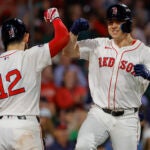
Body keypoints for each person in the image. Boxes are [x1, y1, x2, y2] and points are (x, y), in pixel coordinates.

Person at [63, 3, 150, 150]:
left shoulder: (144, 51)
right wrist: (74, 33)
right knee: (83, 145)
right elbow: (68, 52)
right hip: (99, 113)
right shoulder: (99, 44)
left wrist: (148, 75)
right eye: (110, 22)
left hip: (127, 116)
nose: (114, 26)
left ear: (128, 23)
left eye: (118, 21)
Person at [0, 7, 69, 150]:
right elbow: (63, 38)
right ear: (26, 37)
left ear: (3, 41)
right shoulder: (31, 56)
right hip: (25, 127)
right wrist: (55, 17)